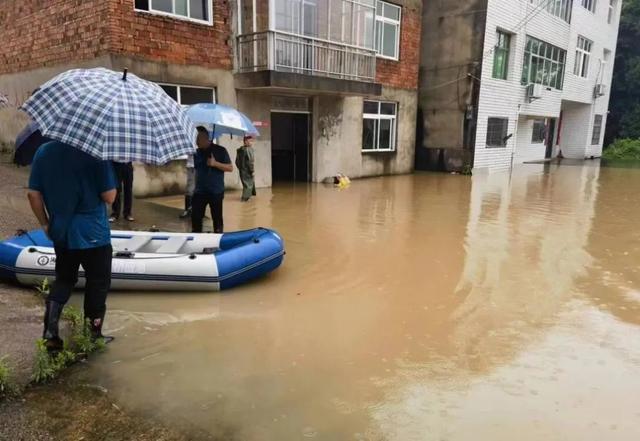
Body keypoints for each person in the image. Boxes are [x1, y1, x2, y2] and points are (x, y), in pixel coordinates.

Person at [27, 141, 117, 353]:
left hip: (62, 230)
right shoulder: (96, 153)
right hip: (94, 233)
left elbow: (33, 194)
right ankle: (93, 335)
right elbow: (109, 196)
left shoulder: (43, 151)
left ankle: (50, 333)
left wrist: (45, 223)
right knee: (98, 282)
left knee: (64, 279)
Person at [192, 126, 233, 233]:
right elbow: (195, 170)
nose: (196, 142)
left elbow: (230, 168)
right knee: (196, 218)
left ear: (205, 138)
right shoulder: (196, 153)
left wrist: (215, 164)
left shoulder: (221, 150)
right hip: (199, 191)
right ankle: (197, 240)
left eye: (198, 139)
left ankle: (218, 239)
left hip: (216, 191)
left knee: (217, 219)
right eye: (195, 139)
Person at [235, 135, 257, 202]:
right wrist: (252, 171)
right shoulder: (248, 149)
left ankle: (247, 198)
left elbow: (236, 162)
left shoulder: (240, 150)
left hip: (242, 171)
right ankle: (245, 199)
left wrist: (241, 169)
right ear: (245, 141)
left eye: (252, 141)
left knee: (246, 184)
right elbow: (251, 161)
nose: (251, 142)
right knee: (248, 185)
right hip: (247, 171)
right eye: (250, 141)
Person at [180, 153, 195, 218]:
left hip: (199, 167)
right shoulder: (191, 144)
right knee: (190, 189)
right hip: (192, 167)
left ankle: (194, 209)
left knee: (196, 189)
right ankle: (188, 210)